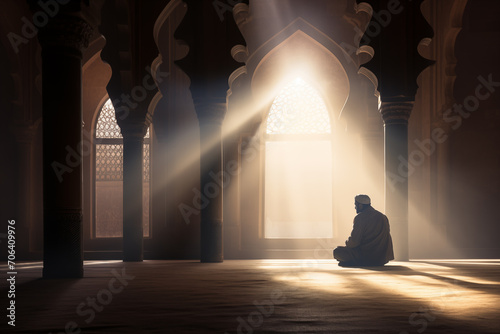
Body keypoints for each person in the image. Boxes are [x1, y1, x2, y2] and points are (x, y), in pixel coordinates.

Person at [333, 194, 394, 267]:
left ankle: (358, 263)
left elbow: (354, 242)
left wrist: (347, 244)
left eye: (356, 205)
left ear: (360, 206)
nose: (355, 207)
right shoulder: (383, 217)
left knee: (337, 251)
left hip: (366, 256)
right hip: (382, 258)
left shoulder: (360, 218)